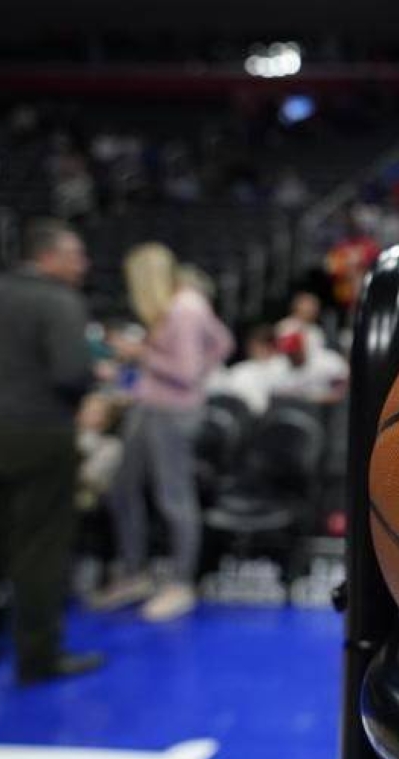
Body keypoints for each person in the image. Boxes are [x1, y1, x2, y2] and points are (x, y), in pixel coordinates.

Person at [0, 218, 104, 683]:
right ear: (48, 257)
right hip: (39, 434)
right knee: (39, 549)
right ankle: (38, 659)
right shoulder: (58, 301)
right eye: (76, 256)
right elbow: (71, 373)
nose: (84, 265)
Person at [94, 243, 233, 621]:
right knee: (123, 488)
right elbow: (223, 342)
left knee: (173, 496)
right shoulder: (182, 304)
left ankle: (180, 584)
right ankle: (135, 572)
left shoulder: (184, 309)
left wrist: (139, 354)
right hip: (149, 403)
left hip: (172, 412)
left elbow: (185, 371)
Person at [208, 325, 287, 415]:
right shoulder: (241, 369)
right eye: (253, 346)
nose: (256, 350)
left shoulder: (281, 367)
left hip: (269, 417)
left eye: (261, 346)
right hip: (239, 414)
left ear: (272, 347)